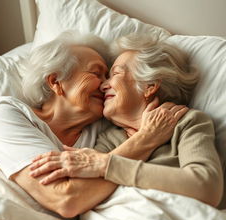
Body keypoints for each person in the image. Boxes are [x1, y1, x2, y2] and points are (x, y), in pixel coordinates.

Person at [0, 31, 186, 219]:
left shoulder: (103, 132)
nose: (105, 84)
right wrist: (146, 139)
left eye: (109, 76)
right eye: (95, 73)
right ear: (55, 81)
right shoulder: (9, 112)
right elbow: (65, 199)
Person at [28, 34, 223, 208]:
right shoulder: (107, 138)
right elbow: (79, 195)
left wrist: (106, 165)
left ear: (150, 85)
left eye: (116, 74)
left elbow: (206, 187)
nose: (103, 85)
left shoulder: (185, 122)